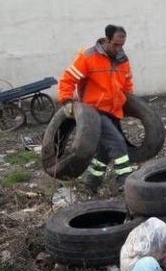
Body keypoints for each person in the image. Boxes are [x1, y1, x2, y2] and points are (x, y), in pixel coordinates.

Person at [58, 24, 135, 191]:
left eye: (122, 45)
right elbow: (68, 79)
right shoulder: (88, 57)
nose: (119, 48)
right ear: (106, 40)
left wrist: (130, 104)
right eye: (115, 44)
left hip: (113, 111)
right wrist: (66, 101)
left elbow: (127, 84)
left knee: (104, 152)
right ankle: (126, 181)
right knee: (118, 144)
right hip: (93, 112)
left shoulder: (123, 59)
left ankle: (91, 183)